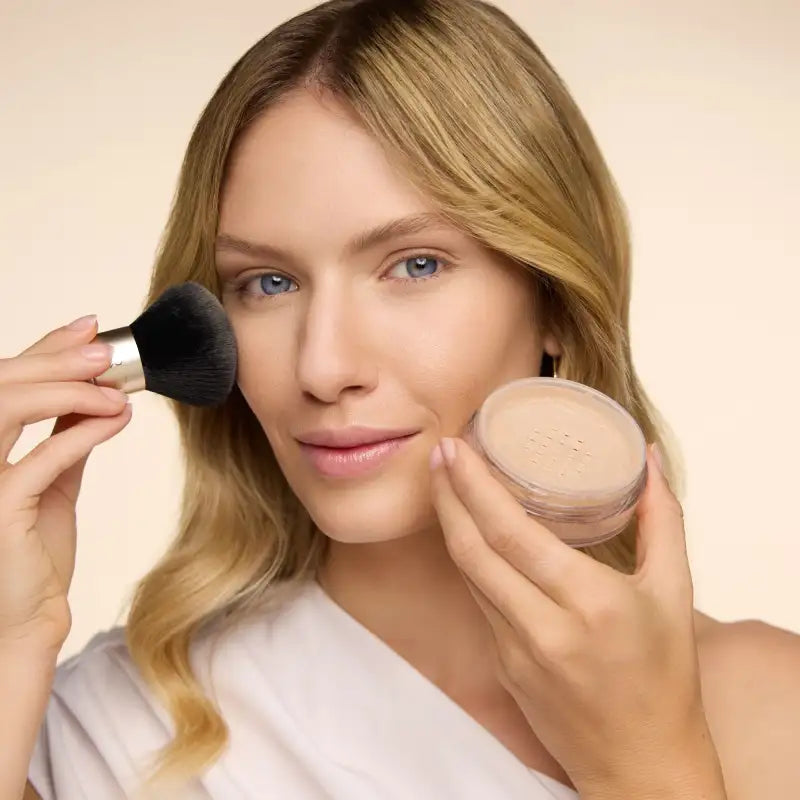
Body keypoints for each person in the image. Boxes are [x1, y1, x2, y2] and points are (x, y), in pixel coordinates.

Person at [2, 1, 798, 798]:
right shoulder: (118, 728)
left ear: (553, 300)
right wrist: (11, 638)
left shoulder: (770, 710)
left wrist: (649, 763)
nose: (324, 367)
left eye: (415, 265)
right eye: (268, 283)